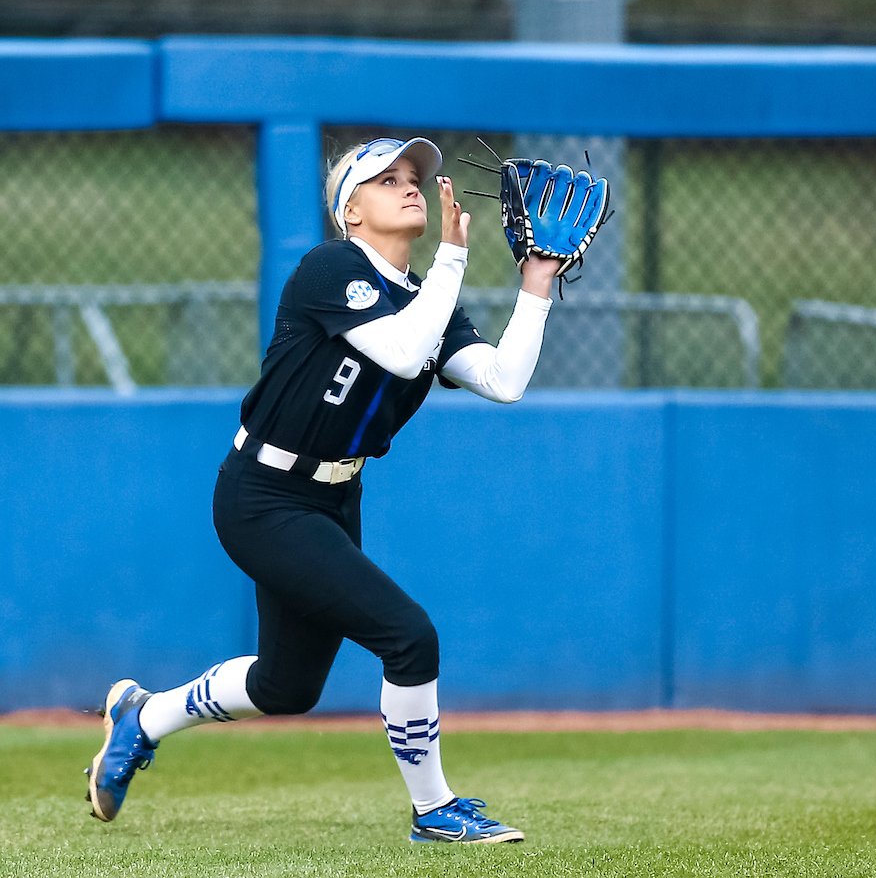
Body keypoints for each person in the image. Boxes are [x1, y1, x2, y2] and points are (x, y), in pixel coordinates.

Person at [86, 135, 560, 844]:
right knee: (408, 637)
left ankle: (143, 716)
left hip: (334, 499)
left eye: (414, 177)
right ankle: (434, 810)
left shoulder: (425, 300)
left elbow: (503, 380)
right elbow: (402, 351)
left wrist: (536, 284)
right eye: (386, 179)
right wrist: (455, 258)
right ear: (351, 212)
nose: (410, 187)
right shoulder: (330, 266)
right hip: (263, 495)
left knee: (287, 686)